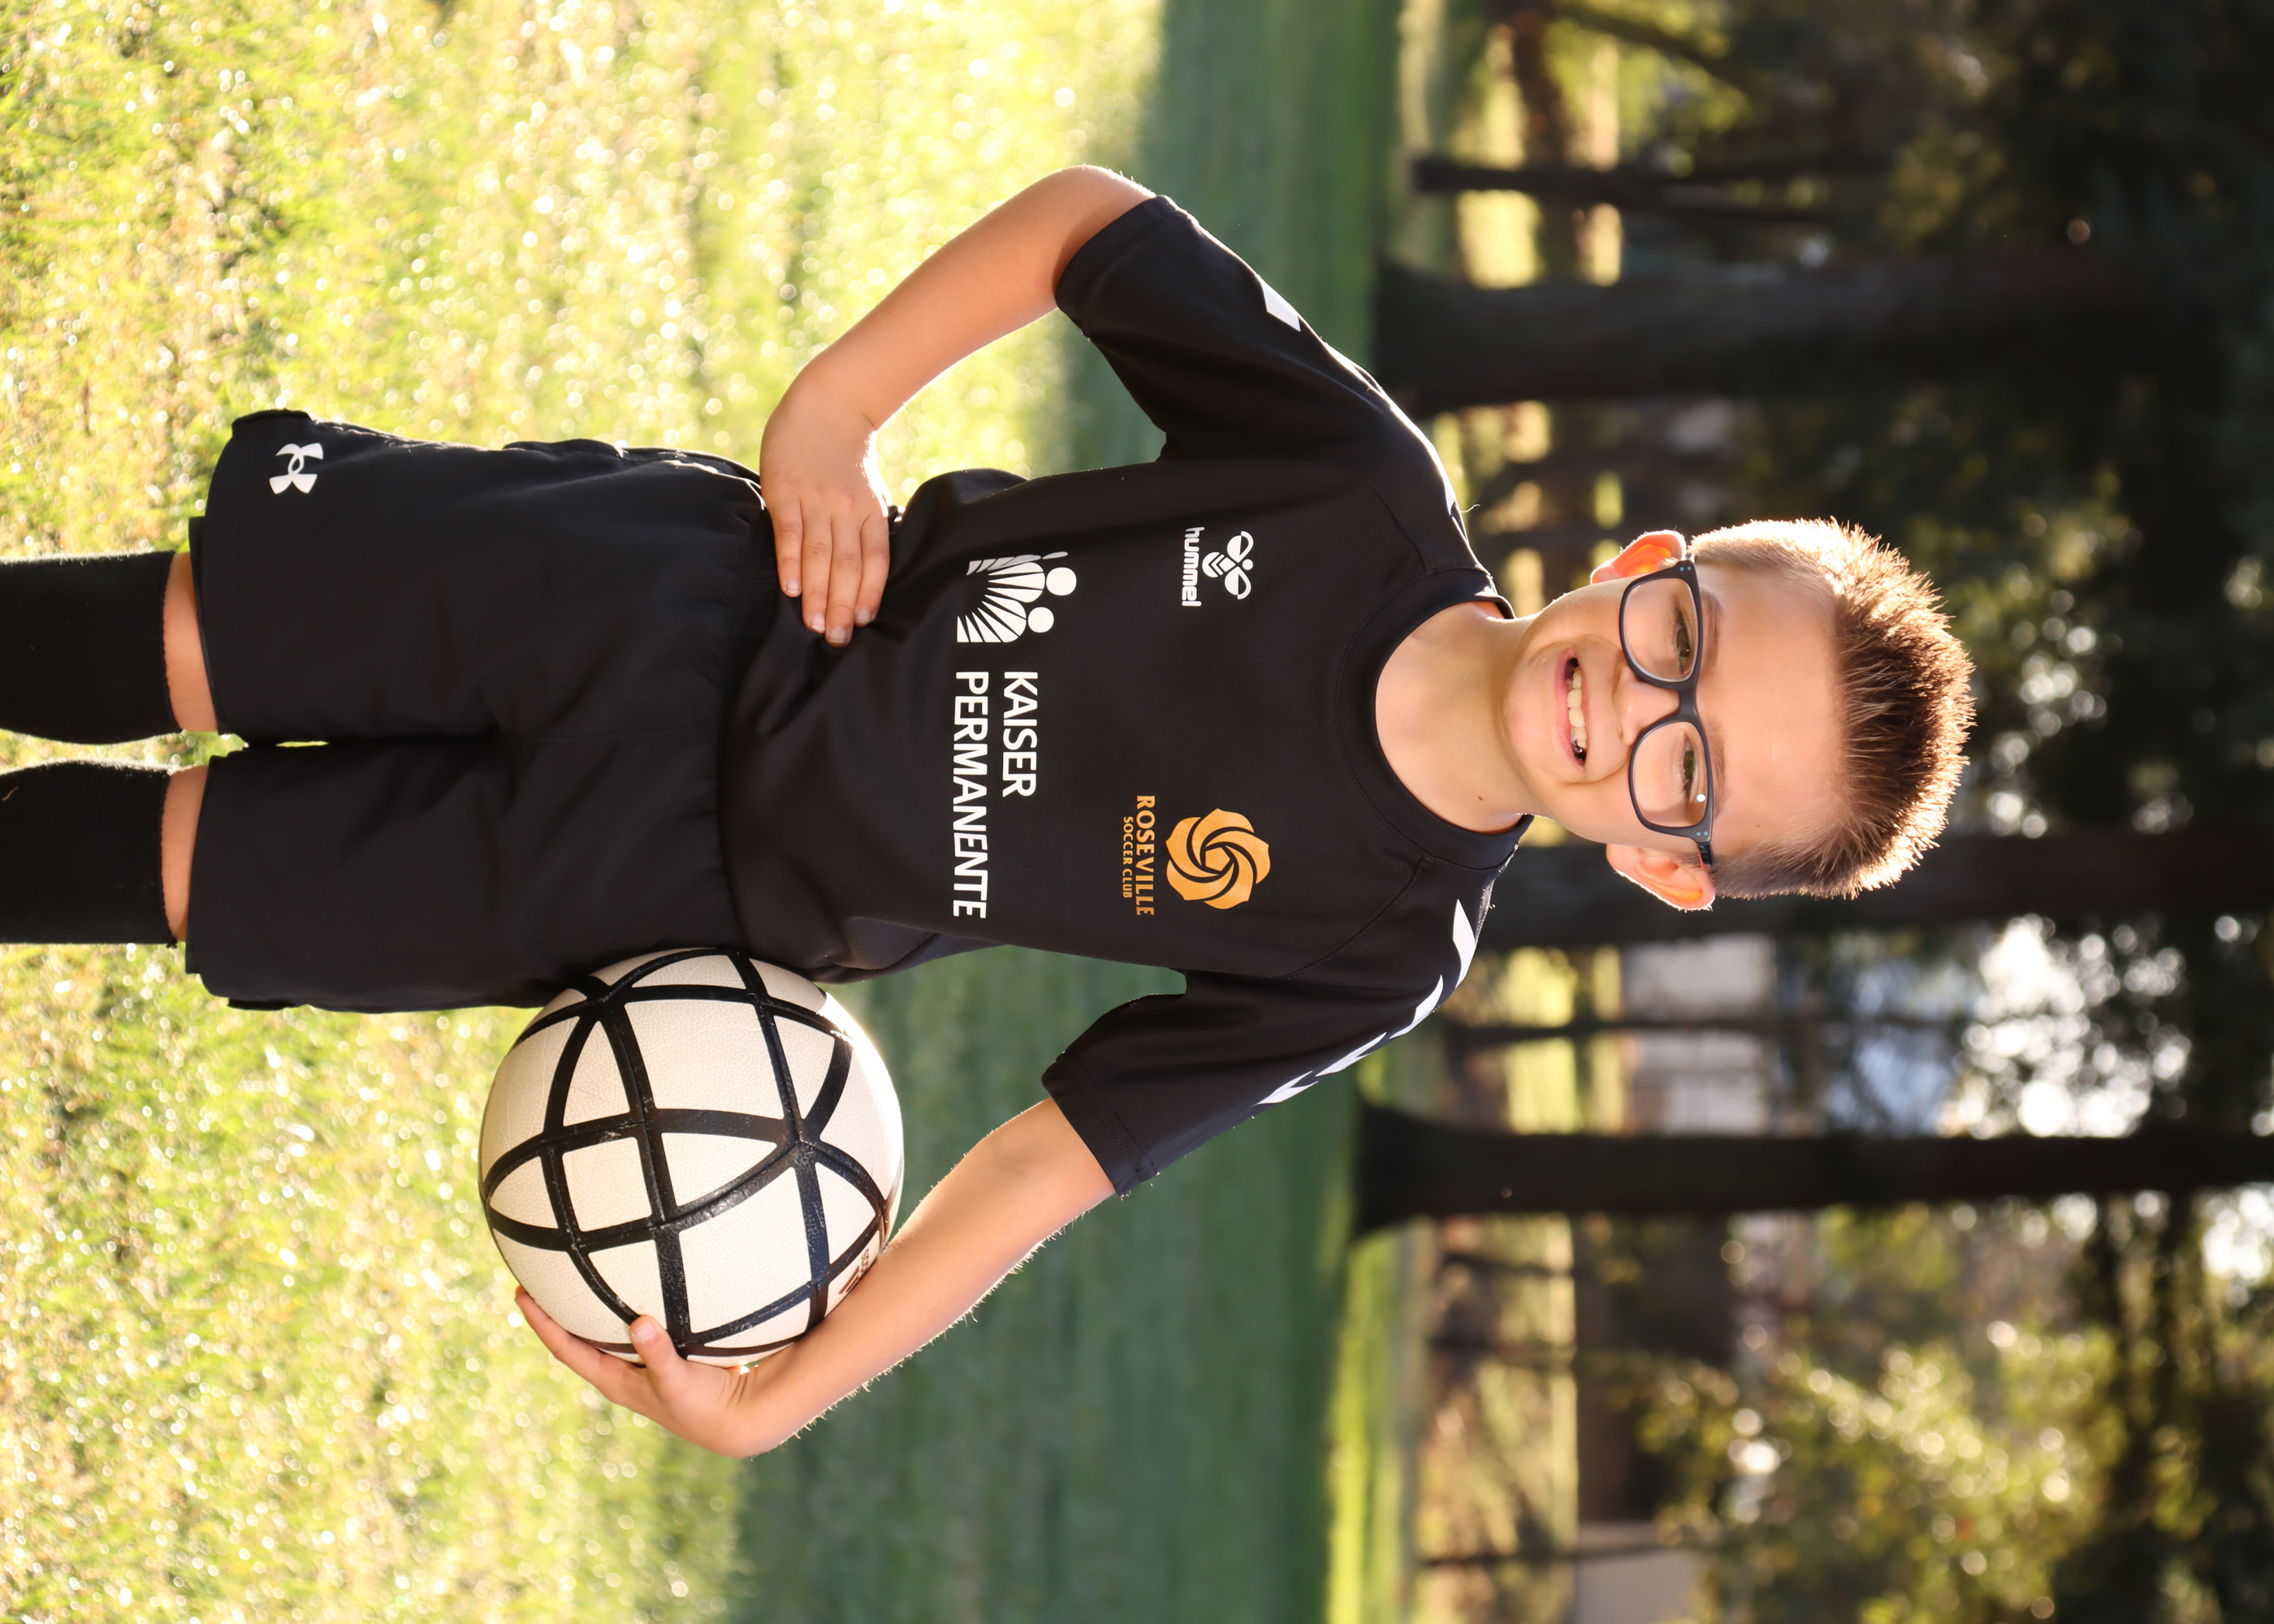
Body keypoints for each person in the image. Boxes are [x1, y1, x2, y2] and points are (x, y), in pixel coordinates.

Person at [0, 166, 1974, 1456]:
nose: (1636, 704)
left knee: (186, 872)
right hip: (667, 598)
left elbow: (1045, 1162)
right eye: (1679, 639)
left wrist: (782, 1394)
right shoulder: (1357, 491)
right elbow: (1088, 226)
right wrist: (833, 410)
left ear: (1664, 860)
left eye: (1689, 765)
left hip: (671, 895)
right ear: (1644, 561)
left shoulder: (1370, 952)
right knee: (180, 640)